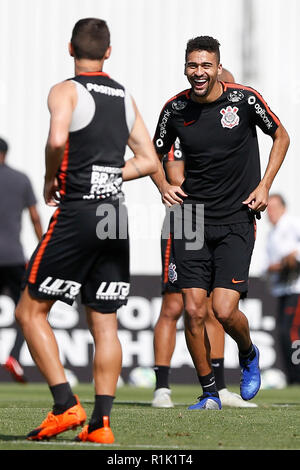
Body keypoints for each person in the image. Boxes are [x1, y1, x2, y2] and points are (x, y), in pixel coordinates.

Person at [15, 18, 157, 443]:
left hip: (78, 211)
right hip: (114, 215)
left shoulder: (66, 89)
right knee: (105, 323)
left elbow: (58, 139)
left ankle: (65, 405)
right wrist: (110, 172)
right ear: (109, 52)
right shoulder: (124, 96)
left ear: (70, 48)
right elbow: (149, 160)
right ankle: (101, 425)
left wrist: (48, 178)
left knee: (29, 310)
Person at [151, 35, 290, 410]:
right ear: (185, 67)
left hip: (235, 217)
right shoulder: (174, 109)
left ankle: (248, 352)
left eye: (205, 65)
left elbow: (281, 135)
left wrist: (265, 184)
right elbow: (154, 151)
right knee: (193, 310)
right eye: (193, 65)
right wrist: (163, 184)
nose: (199, 72)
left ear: (217, 67)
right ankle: (209, 392)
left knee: (223, 310)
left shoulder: (244, 100)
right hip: (190, 219)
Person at [152, 141, 256, 409]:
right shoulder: (180, 128)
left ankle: (218, 388)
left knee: (214, 309)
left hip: (220, 222)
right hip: (186, 222)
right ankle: (162, 387)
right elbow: (177, 179)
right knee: (175, 306)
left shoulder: (223, 128)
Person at [0, 137, 43, 383]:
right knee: (28, 312)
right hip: (14, 258)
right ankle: (14, 356)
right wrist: (44, 249)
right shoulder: (20, 179)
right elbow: (36, 218)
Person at [264, 194, 300, 384]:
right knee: (284, 332)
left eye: (274, 207)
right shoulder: (271, 234)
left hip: (296, 288)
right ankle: (292, 375)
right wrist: (278, 266)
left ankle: (297, 374)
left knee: (291, 331)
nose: (271, 212)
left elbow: (293, 256)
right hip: (283, 289)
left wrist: (293, 257)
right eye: (268, 208)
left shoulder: (292, 223)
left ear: (283, 208)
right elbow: (267, 267)